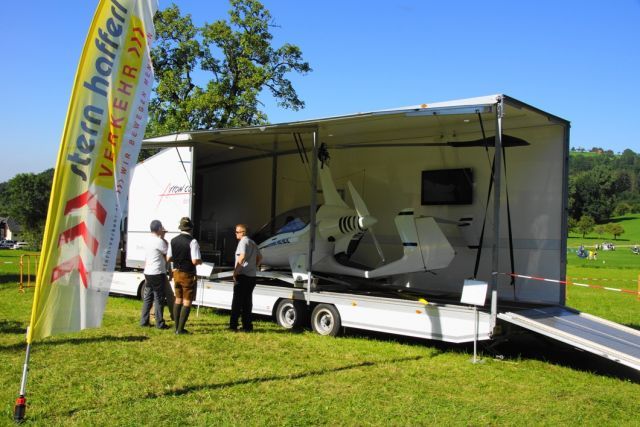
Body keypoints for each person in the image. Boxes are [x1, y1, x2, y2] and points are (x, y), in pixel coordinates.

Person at [167, 217, 202, 334]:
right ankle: (181, 329)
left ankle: (176, 328)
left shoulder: (173, 240)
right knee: (187, 301)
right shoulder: (193, 241)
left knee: (178, 299)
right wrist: (200, 261)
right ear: (191, 228)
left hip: (176, 272)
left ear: (181, 228)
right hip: (187, 273)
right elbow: (194, 260)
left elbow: (168, 258)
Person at [230, 224, 262, 332]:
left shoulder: (243, 242)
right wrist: (254, 266)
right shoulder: (253, 242)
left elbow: (242, 256)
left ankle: (233, 326)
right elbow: (260, 257)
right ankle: (247, 326)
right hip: (252, 276)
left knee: (237, 302)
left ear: (243, 232)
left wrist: (235, 272)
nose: (235, 234)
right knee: (247, 302)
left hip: (243, 276)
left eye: (237, 232)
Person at [140, 220, 170, 329]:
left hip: (148, 271)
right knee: (159, 298)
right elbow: (168, 255)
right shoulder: (159, 241)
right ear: (159, 229)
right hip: (157, 272)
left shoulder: (147, 240)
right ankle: (159, 323)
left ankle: (144, 321)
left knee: (148, 297)